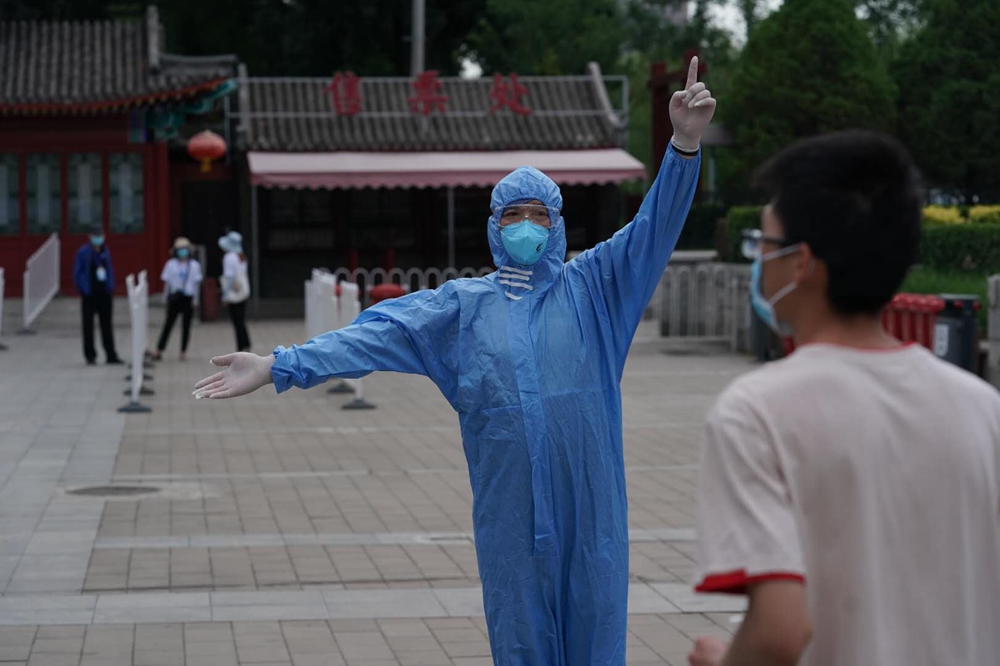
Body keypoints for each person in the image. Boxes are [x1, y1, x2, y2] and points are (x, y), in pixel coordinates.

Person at [196, 59, 715, 666]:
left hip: (591, 517)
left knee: (596, 638)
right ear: (494, 226)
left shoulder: (597, 290)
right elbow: (374, 335)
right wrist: (277, 364)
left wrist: (683, 146)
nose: (527, 226)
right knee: (520, 642)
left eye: (539, 214)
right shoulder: (463, 309)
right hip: (510, 524)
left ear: (557, 224)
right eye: (513, 215)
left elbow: (652, 229)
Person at [687, 131, 1000, 666]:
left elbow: (779, 630)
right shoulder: (983, 408)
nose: (758, 261)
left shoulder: (757, 412)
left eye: (763, 243)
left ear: (801, 263)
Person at [73, 232, 122, 365]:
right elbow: (78, 272)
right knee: (88, 325)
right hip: (89, 293)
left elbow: (110, 269)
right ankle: (90, 355)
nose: (98, 239)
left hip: (104, 293)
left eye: (100, 236)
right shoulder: (83, 252)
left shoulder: (105, 251)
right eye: (96, 236)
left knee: (107, 324)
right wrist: (83, 288)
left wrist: (110, 286)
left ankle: (111, 354)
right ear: (90, 237)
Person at [153, 237, 203, 361]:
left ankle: (183, 351)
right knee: (168, 324)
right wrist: (165, 298)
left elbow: (196, 285)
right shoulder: (170, 264)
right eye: (180, 249)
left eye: (184, 249)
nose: (182, 252)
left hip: (188, 297)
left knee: (186, 326)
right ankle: (160, 349)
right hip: (174, 297)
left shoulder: (194, 265)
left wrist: (196, 301)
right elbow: (167, 284)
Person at [219, 231, 251, 352]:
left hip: (234, 292)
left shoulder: (229, 257)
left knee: (237, 321)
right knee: (242, 320)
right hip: (243, 291)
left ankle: (240, 346)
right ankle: (246, 343)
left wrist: (225, 295)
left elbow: (230, 277)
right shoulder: (241, 256)